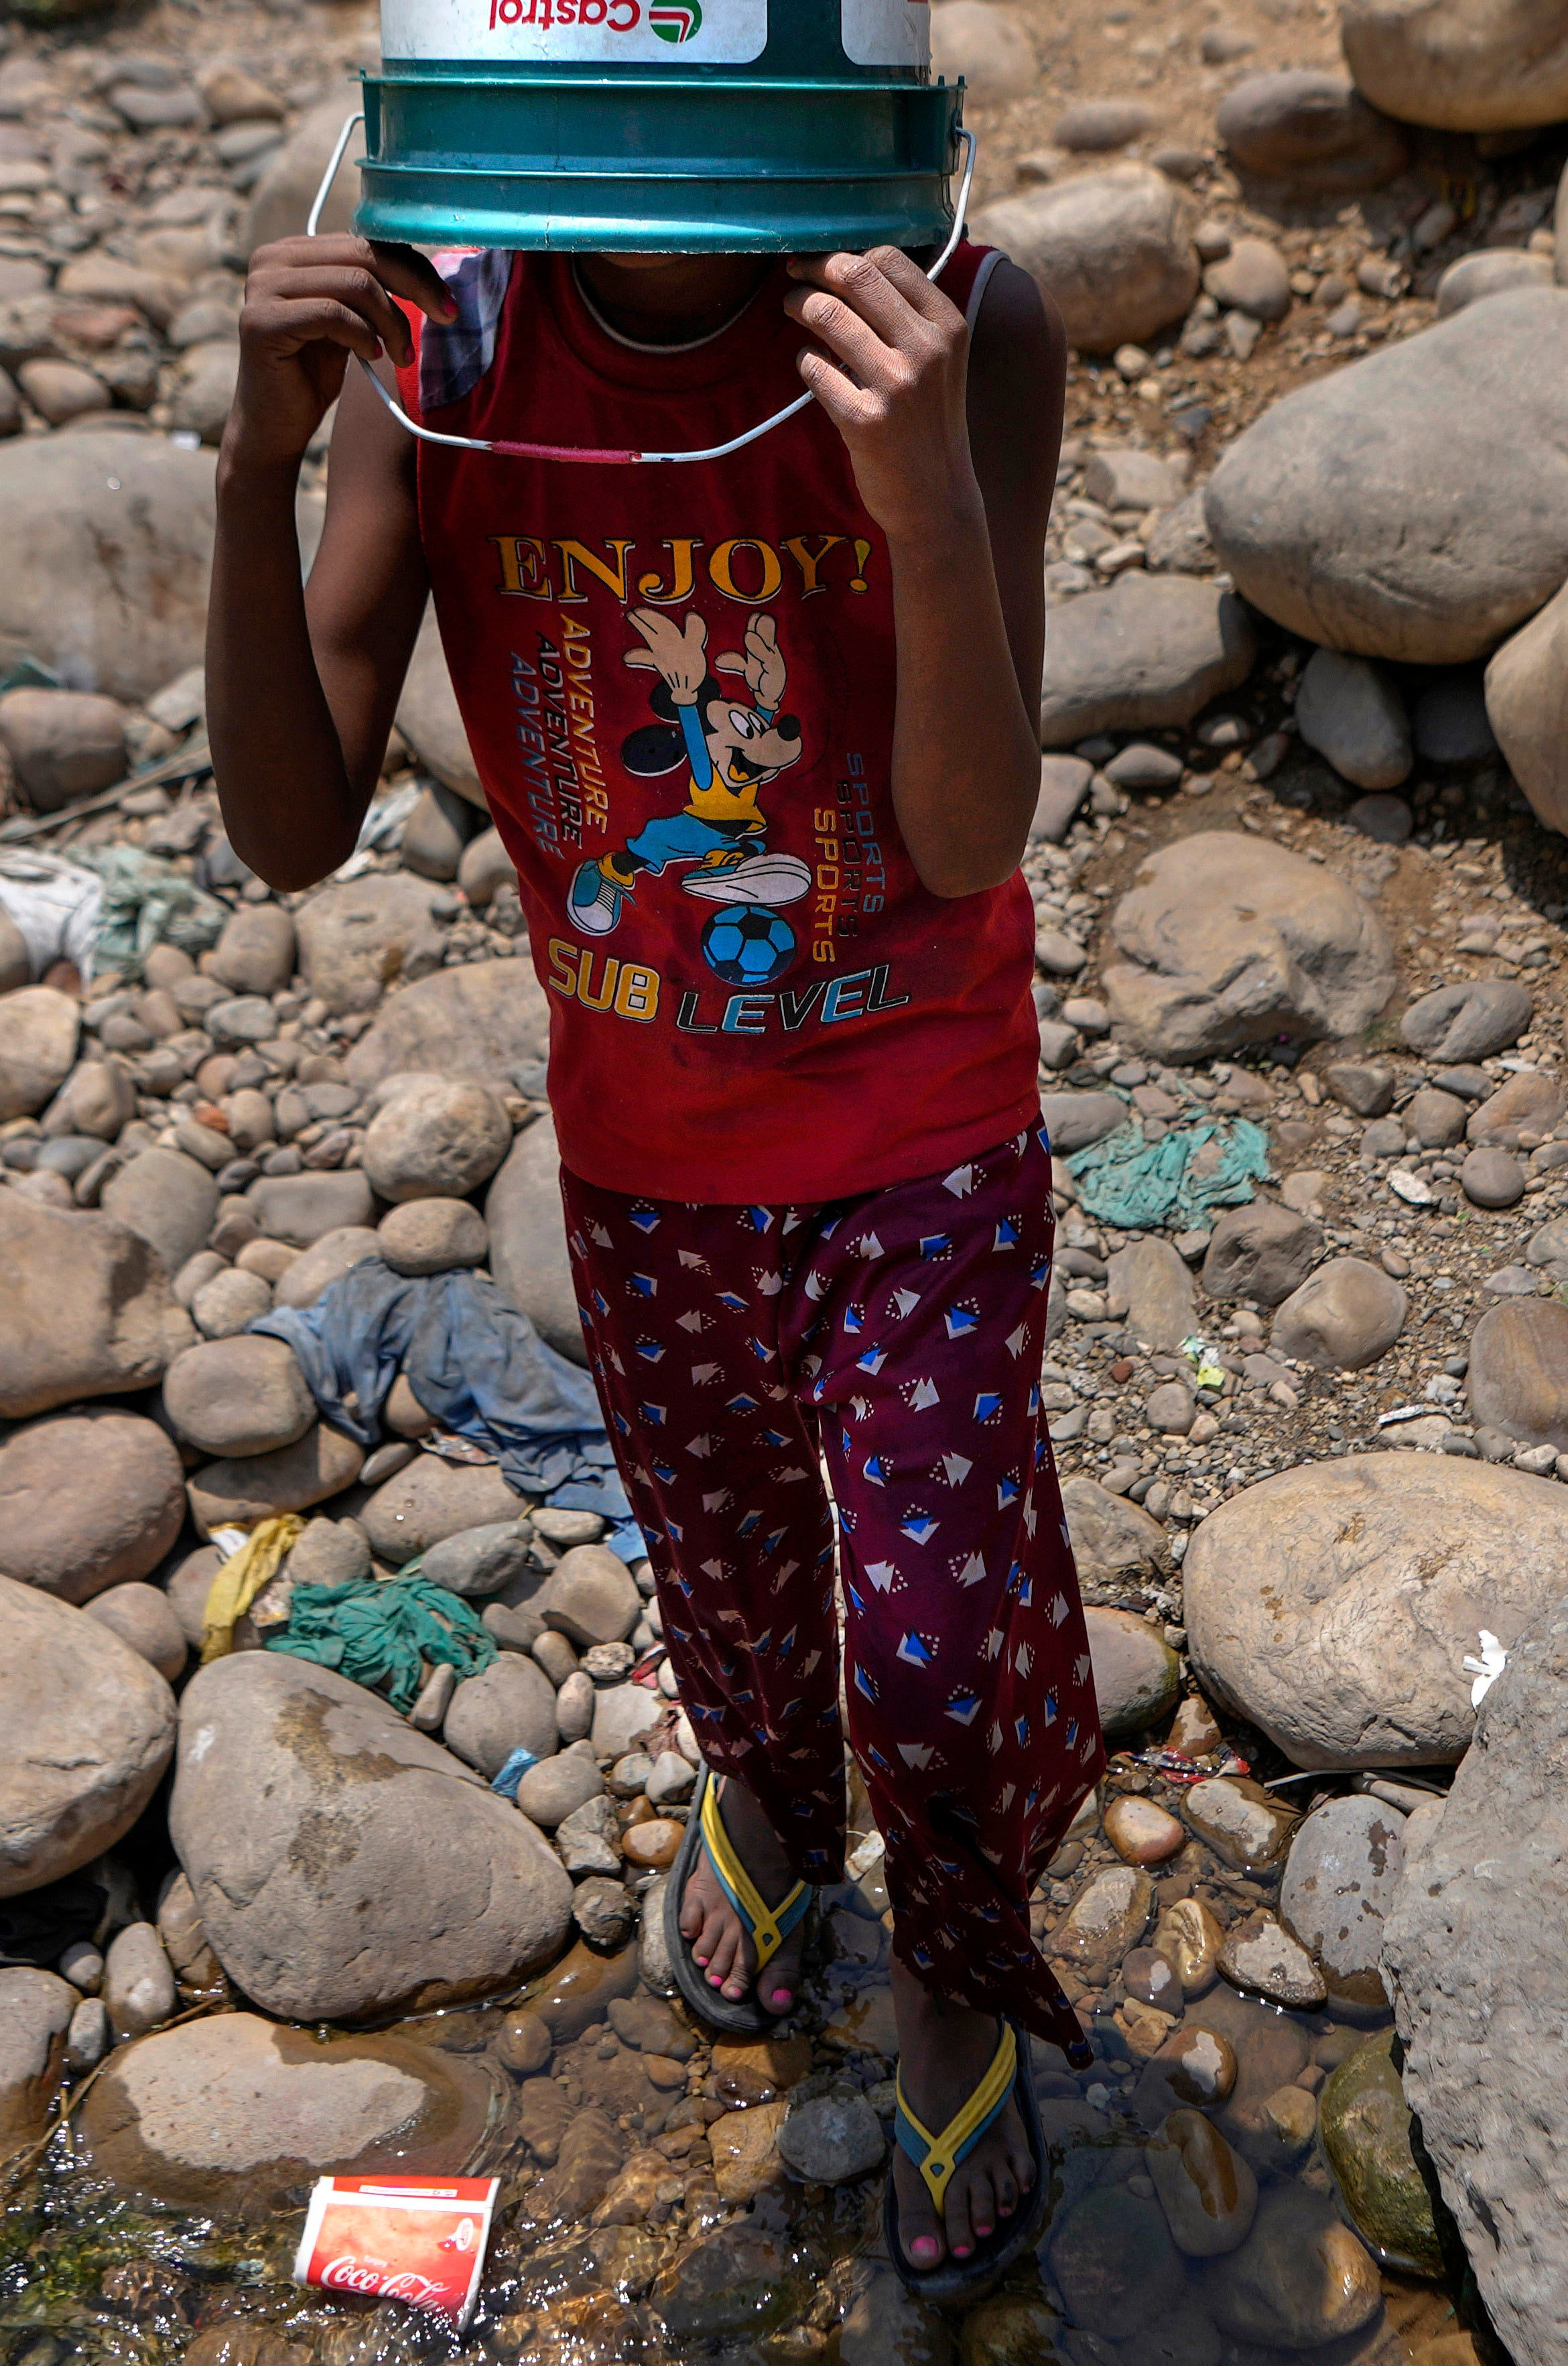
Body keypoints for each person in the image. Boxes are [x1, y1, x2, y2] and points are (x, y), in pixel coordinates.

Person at [209, 217, 1086, 2299]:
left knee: (942, 1645)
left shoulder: (956, 315)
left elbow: (969, 835)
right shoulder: (446, 333)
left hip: (922, 1124)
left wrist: (922, 494)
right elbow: (287, 823)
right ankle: (772, 1803)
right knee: (727, 1564)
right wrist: (253, 462)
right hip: (644, 1147)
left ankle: (954, 1977)